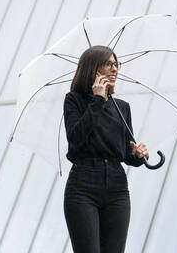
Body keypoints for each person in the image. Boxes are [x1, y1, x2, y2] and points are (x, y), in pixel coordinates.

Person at [63, 45, 148, 253]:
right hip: (83, 185)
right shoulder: (74, 100)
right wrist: (98, 100)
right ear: (93, 68)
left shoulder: (122, 107)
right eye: (108, 64)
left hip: (117, 188)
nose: (114, 69)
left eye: (116, 64)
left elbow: (125, 152)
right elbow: (75, 138)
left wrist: (138, 155)